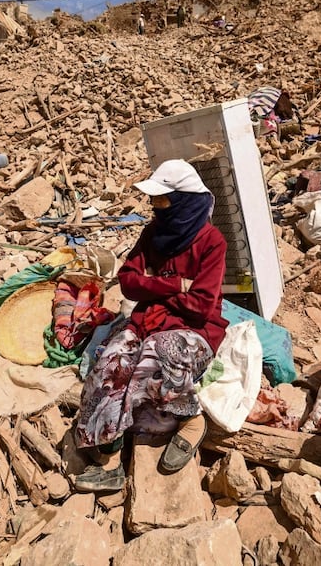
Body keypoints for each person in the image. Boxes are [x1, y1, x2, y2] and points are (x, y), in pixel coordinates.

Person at [74, 159, 229, 492]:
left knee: (157, 357)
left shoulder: (212, 241)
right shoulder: (152, 233)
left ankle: (190, 421)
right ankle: (111, 455)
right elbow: (128, 282)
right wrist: (175, 285)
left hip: (195, 329)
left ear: (184, 200)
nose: (155, 206)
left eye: (162, 200)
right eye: (155, 200)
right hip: (149, 319)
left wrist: (153, 283)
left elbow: (201, 305)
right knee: (110, 362)